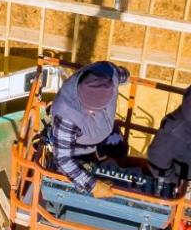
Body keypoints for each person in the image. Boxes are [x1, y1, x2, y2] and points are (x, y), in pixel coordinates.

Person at [48, 60, 130, 197]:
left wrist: (126, 77)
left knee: (121, 150)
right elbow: (63, 159)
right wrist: (93, 186)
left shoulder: (110, 72)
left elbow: (124, 75)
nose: (93, 113)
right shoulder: (65, 114)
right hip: (79, 150)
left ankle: (112, 159)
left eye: (99, 109)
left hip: (104, 133)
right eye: (89, 110)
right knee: (73, 178)